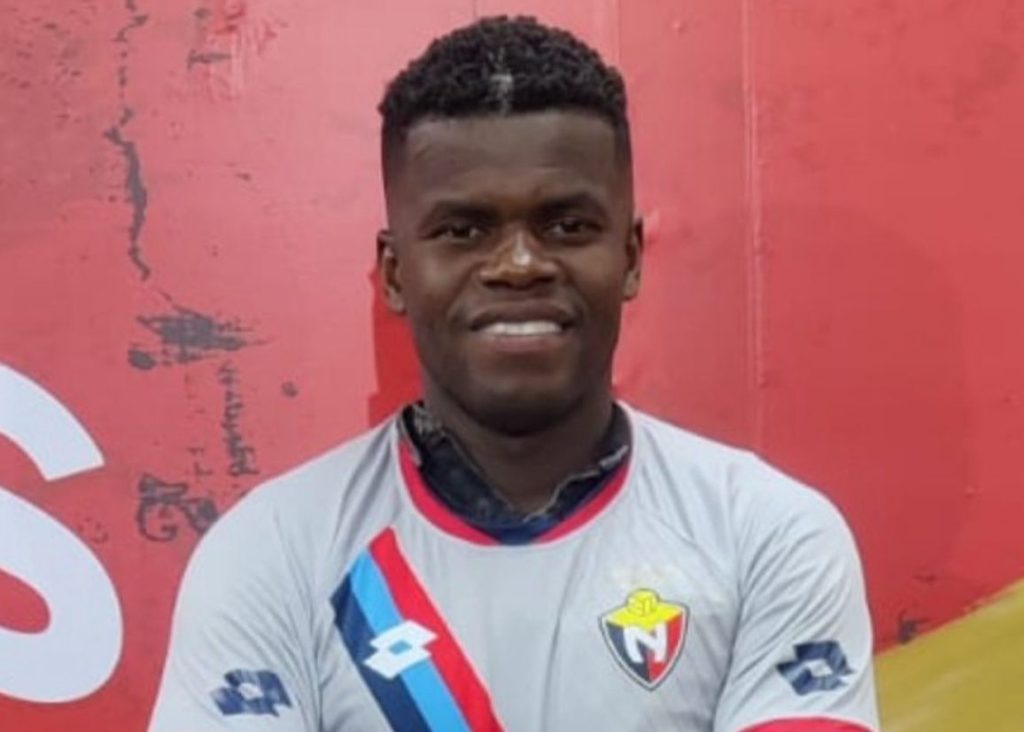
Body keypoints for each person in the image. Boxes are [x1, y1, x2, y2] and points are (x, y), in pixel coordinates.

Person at [149, 16, 878, 732]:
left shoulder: (764, 535)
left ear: (629, 258)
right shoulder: (276, 551)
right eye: (463, 231)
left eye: (567, 226)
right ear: (396, 273)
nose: (520, 265)